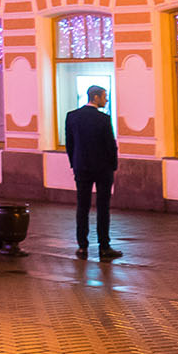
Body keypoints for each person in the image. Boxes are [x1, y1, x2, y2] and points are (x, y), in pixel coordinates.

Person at [65, 84, 121, 260]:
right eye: (104, 97)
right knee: (103, 207)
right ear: (95, 98)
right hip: (102, 168)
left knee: (82, 206)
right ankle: (104, 246)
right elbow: (110, 145)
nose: (106, 100)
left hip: (81, 167)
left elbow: (70, 144)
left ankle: (82, 246)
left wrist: (74, 163)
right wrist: (113, 165)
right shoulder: (103, 119)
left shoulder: (72, 116)